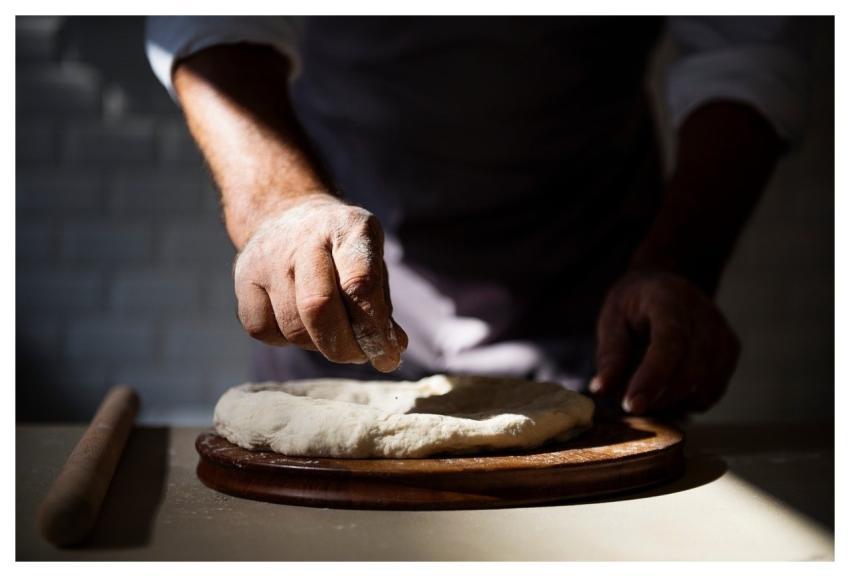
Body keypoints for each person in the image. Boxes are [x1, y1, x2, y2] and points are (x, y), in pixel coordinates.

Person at [146, 16, 810, 415]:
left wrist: (678, 265)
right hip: (335, 285)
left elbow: (747, 49)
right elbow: (212, 14)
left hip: (596, 293)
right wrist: (280, 204)